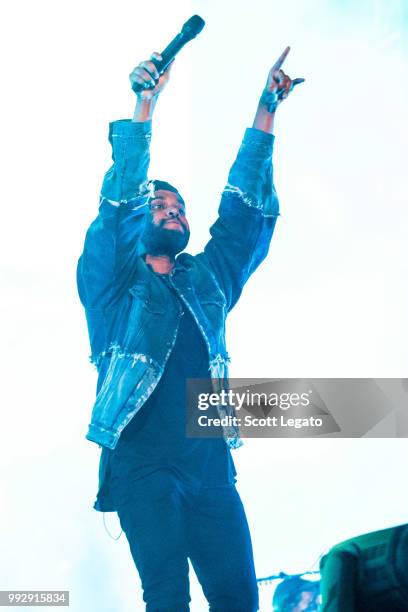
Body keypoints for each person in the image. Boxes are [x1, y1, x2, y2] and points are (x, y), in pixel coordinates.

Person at [77, 45, 304, 612]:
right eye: (161, 204)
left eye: (180, 206)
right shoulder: (110, 284)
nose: (174, 210)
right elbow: (118, 208)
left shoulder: (206, 282)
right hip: (141, 463)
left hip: (209, 466)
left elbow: (243, 220)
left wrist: (265, 112)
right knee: (168, 597)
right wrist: (143, 105)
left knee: (237, 597)